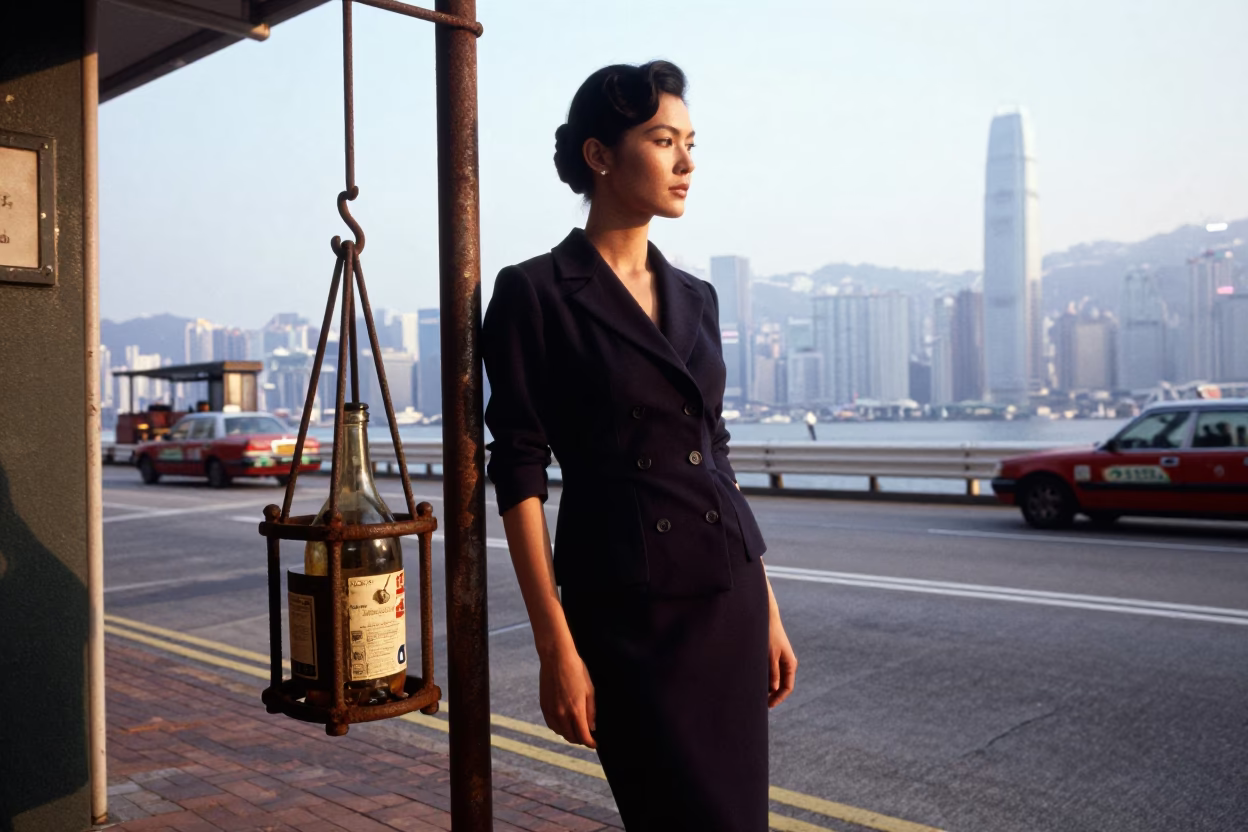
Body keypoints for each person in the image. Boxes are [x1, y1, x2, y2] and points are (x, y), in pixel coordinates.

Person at [480, 60, 797, 831]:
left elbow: (710, 452)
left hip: (730, 597)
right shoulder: (536, 292)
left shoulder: (696, 296)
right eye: (664, 141)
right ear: (600, 155)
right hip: (629, 611)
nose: (687, 163)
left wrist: (770, 609)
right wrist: (555, 646)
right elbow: (519, 469)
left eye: (691, 143)